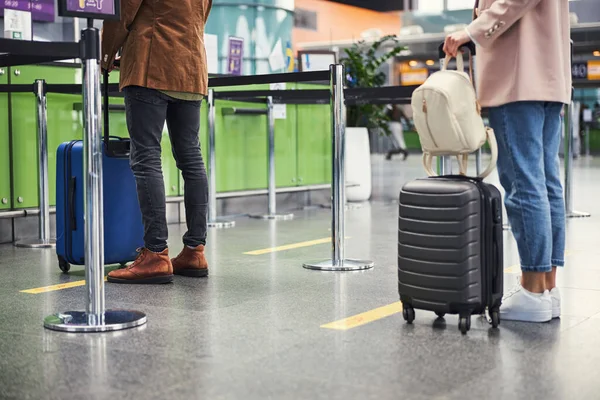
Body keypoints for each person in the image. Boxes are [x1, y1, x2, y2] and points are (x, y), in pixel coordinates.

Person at [444, 0, 570, 322]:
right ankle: (546, 287)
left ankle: (533, 292)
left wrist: (471, 31)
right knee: (545, 182)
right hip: (548, 75)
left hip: (518, 78)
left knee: (524, 183)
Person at [101, 0, 213, 284]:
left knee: (146, 158)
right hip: (190, 67)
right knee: (191, 159)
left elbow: (122, 13)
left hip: (152, 63)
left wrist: (105, 53)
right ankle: (194, 250)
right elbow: (199, 16)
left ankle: (155, 254)